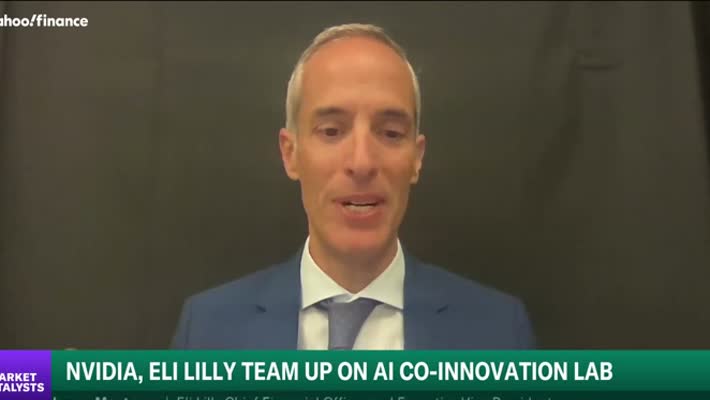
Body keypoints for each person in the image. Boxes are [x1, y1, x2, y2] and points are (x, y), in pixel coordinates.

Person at [171, 23, 535, 350]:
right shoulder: (207, 331)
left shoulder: (499, 334)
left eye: (390, 133)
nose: (361, 162)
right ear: (291, 153)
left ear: (416, 158)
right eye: (332, 131)